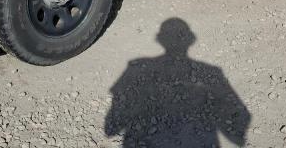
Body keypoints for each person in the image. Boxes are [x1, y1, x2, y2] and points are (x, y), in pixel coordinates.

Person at [105, 18, 250, 147]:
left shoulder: (135, 66)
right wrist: (235, 136)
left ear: (159, 39)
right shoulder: (212, 72)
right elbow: (240, 118)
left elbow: (111, 128)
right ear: (191, 40)